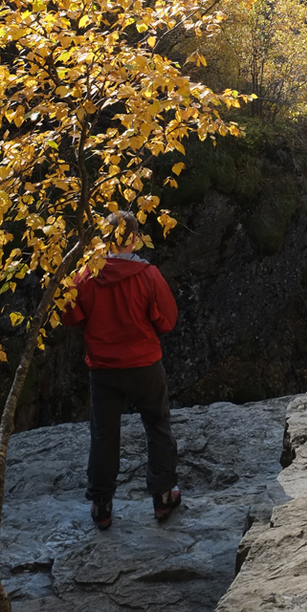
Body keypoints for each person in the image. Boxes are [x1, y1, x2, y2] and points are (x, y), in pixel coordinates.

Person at [63, 210, 181, 530]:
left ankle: (101, 505)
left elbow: (69, 315)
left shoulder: (87, 273)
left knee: (103, 434)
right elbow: (167, 321)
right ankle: (162, 496)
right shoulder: (149, 274)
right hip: (144, 364)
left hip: (103, 368)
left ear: (105, 238)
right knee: (157, 424)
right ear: (135, 238)